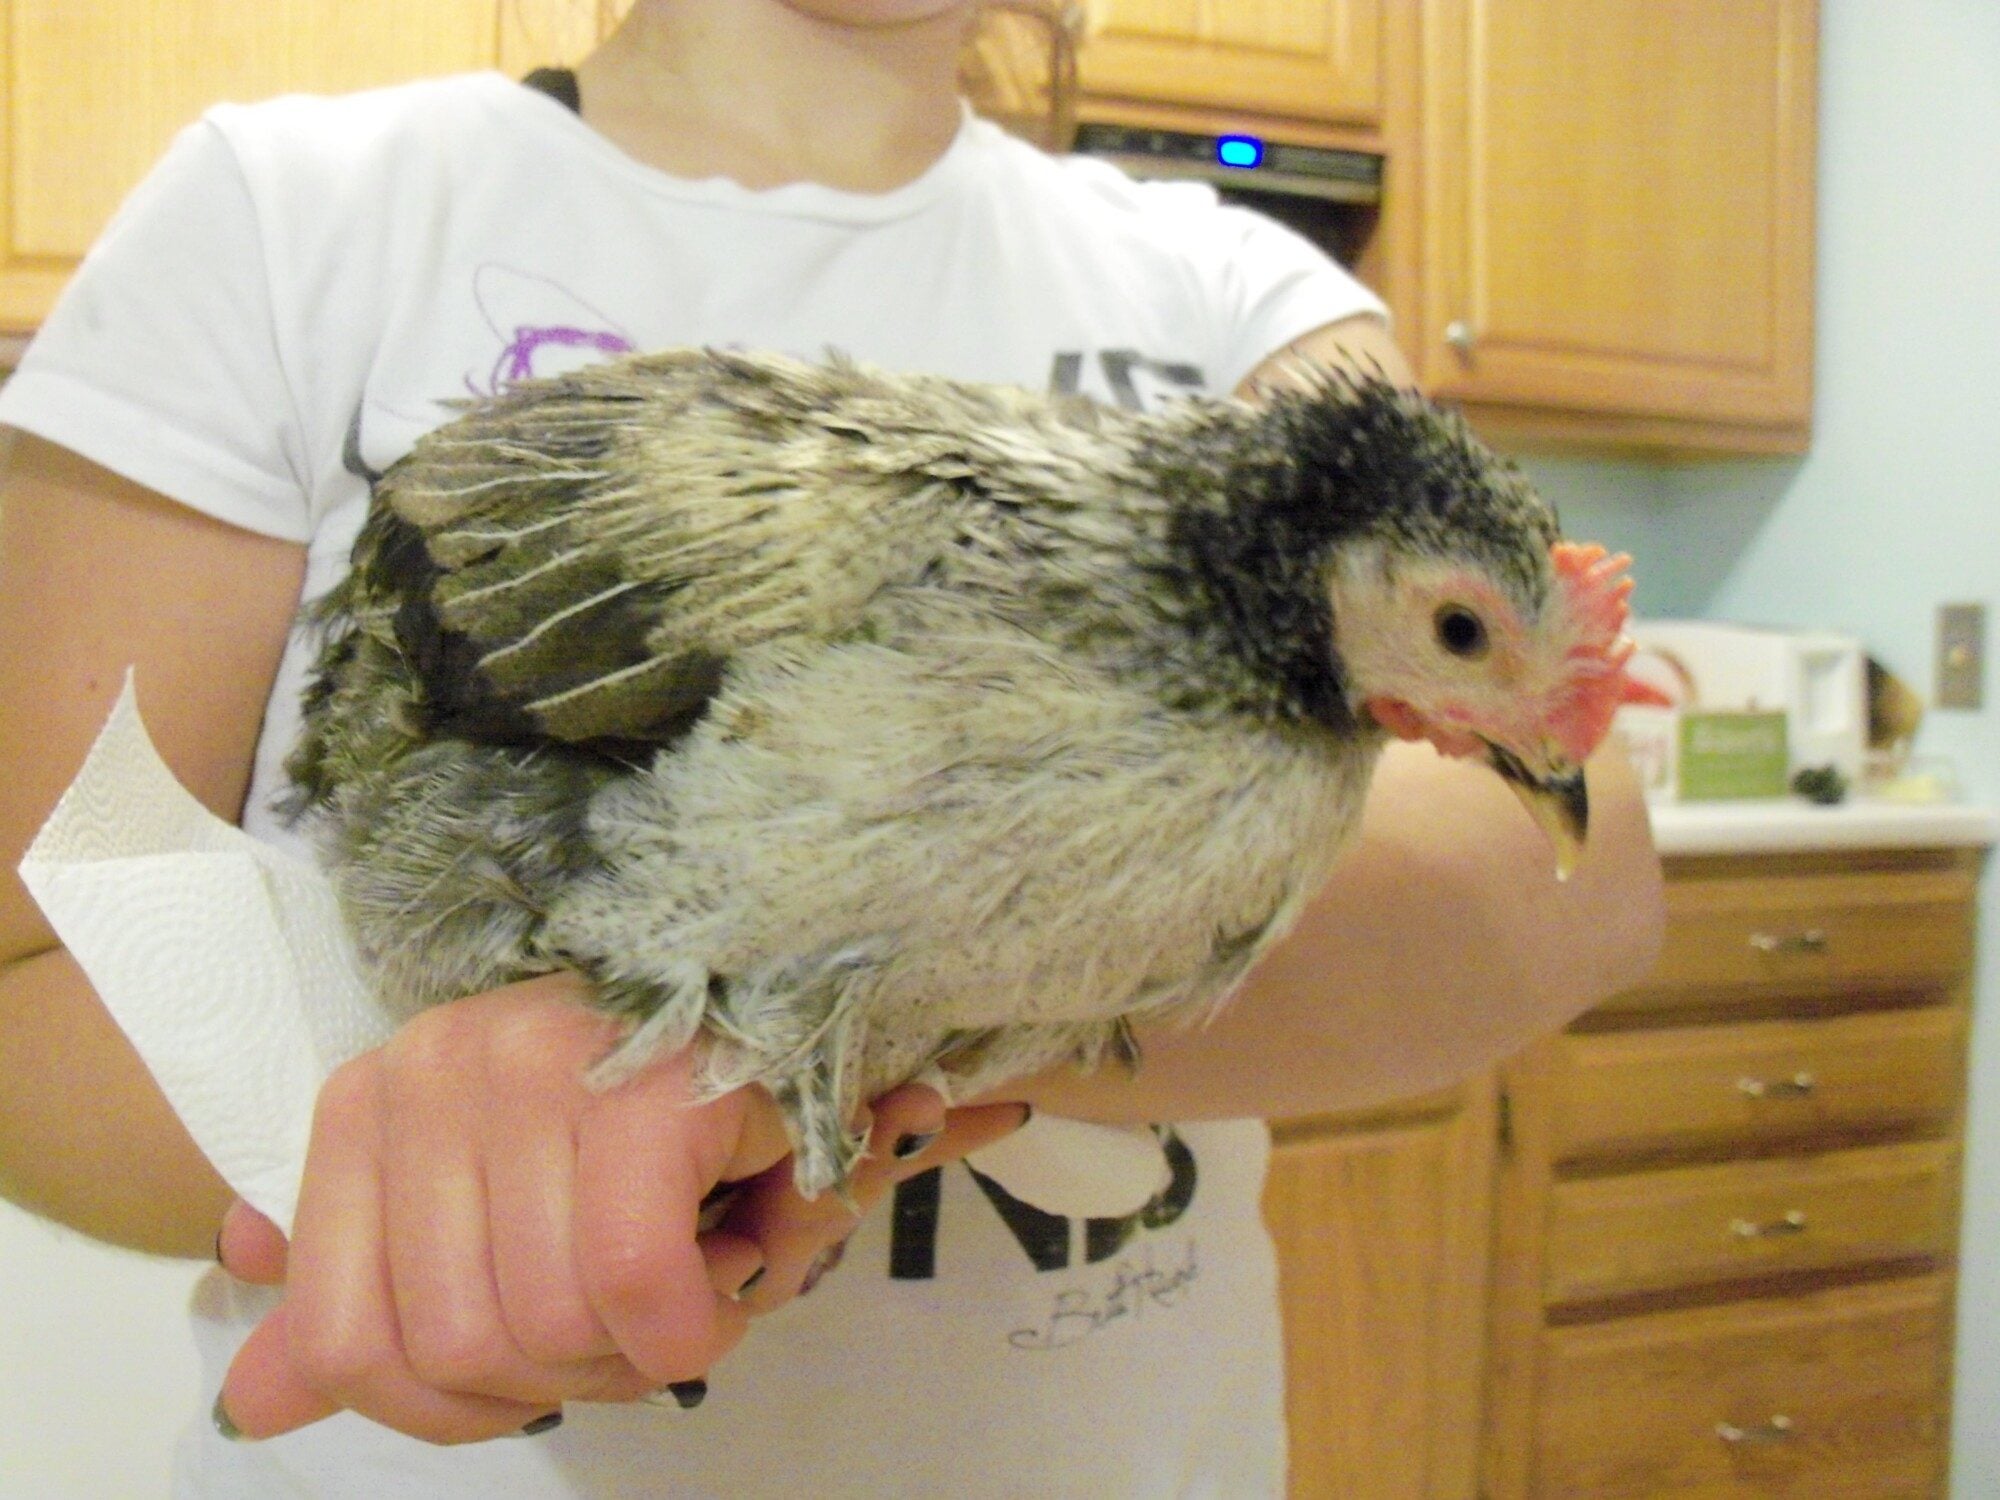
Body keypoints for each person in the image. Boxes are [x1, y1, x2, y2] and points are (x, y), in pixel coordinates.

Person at [0, 1, 1664, 1494]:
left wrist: (787, 1032)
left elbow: (1571, 887)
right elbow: (29, 968)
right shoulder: (292, 216)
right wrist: (455, 1185)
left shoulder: (1236, 292)